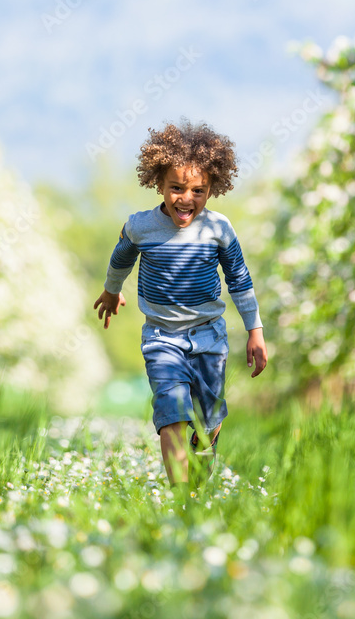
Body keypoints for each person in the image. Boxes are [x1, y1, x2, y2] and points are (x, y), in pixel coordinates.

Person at [93, 118, 269, 490]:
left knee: (208, 421)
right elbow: (121, 257)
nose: (185, 199)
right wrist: (112, 290)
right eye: (175, 188)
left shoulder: (219, 230)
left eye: (198, 190)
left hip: (209, 337)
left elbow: (239, 279)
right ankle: (179, 497)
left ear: (212, 189)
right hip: (161, 337)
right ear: (158, 183)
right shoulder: (141, 226)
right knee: (171, 412)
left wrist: (255, 331)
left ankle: (199, 487)